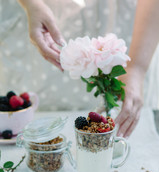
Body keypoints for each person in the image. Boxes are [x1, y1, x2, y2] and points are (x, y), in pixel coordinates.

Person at [16, 0, 159, 137]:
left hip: (138, 26)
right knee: (30, 125)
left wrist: (136, 68)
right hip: (37, 16)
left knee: (122, 112)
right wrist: (31, 3)